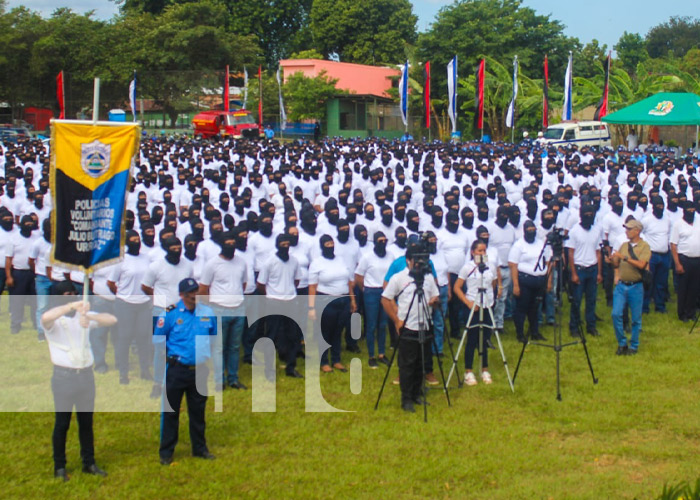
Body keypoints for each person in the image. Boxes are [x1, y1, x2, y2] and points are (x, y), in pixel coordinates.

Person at [42, 280, 116, 481]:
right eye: (65, 294)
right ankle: (59, 466)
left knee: (86, 423)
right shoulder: (54, 320)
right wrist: (70, 306)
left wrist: (91, 316)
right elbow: (46, 318)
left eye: (73, 293)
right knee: (62, 424)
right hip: (64, 377)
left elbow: (111, 319)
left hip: (85, 376)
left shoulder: (82, 318)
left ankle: (89, 462)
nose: (70, 296)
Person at [154, 278, 217, 465]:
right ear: (182, 295)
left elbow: (212, 338)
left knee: (198, 412)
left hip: (199, 370)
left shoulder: (207, 312)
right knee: (171, 411)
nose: (195, 296)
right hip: (177, 369)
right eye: (191, 293)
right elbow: (158, 340)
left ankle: (199, 448)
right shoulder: (170, 313)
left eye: (197, 291)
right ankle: (166, 452)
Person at [381, 240, 440, 413]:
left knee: (421, 362)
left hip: (425, 325)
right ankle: (406, 398)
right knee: (407, 364)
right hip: (408, 327)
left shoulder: (428, 277)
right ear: (408, 260)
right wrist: (396, 319)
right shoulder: (399, 278)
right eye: (416, 259)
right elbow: (385, 299)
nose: (420, 263)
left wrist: (434, 302)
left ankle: (417, 393)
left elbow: (435, 296)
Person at [199, 231, 248, 389]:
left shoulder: (241, 262)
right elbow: (203, 289)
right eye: (227, 243)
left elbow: (243, 283)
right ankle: (219, 381)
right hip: (218, 309)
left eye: (233, 242)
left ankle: (233, 378)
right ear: (221, 245)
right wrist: (209, 308)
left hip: (238, 308)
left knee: (234, 347)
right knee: (219, 348)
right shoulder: (212, 264)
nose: (231, 246)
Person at [308, 235, 356, 373]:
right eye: (327, 244)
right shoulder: (317, 263)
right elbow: (312, 287)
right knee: (325, 332)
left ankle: (336, 359)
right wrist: (311, 307)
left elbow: (349, 282)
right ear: (322, 246)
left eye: (332, 243)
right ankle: (324, 361)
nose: (330, 246)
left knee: (338, 331)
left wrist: (352, 300)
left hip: (343, 299)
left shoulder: (340, 260)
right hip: (325, 300)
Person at [453, 239, 497, 386]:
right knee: (472, 339)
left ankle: (484, 368)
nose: (482, 253)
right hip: (473, 305)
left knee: (484, 339)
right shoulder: (467, 267)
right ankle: (468, 371)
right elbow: (457, 287)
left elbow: (495, 282)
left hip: (487, 305)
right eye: (479, 251)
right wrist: (468, 302)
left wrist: (494, 296)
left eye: (484, 250)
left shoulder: (491, 266)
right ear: (473, 252)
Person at [611, 219, 651, 355]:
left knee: (635, 319)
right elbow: (616, 263)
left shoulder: (644, 247)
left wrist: (624, 257)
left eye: (629, 229)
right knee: (616, 314)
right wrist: (612, 258)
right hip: (622, 285)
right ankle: (622, 343)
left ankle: (634, 345)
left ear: (637, 231)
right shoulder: (623, 245)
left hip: (636, 286)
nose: (626, 232)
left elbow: (642, 265)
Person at [508, 221, 553, 343]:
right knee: (522, 308)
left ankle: (535, 332)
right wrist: (516, 285)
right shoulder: (519, 245)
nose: (531, 231)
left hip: (539, 280)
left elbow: (549, 262)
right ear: (524, 230)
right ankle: (520, 334)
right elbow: (513, 265)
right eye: (529, 229)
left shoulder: (541, 244)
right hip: (524, 280)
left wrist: (549, 281)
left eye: (533, 229)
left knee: (535, 308)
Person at [354, 232, 393, 368]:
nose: (383, 243)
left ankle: (381, 353)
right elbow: (358, 276)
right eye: (380, 241)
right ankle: (371, 355)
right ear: (375, 242)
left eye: (385, 240)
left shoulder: (390, 256)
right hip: (371, 291)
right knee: (371, 325)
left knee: (382, 324)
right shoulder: (367, 257)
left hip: (385, 292)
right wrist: (365, 289)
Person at [565, 205, 603, 337]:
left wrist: (599, 272)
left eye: (591, 213)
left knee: (591, 300)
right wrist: (573, 273)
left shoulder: (596, 231)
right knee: (576, 300)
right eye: (586, 213)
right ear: (581, 215)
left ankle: (591, 326)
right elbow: (570, 253)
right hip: (579, 269)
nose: (589, 216)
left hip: (592, 269)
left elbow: (598, 252)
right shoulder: (574, 231)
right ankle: (574, 327)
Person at [670, 201, 700, 322]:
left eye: (693, 210)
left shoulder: (698, 221)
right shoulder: (678, 224)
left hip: (697, 259)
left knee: (695, 287)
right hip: (684, 259)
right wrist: (677, 263)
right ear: (684, 210)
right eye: (689, 210)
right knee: (684, 288)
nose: (691, 212)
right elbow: (673, 245)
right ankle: (682, 313)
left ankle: (691, 312)